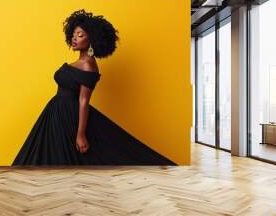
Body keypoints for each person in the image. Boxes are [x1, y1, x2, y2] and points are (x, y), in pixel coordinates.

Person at [11, 9, 175, 166]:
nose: (75, 38)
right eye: (73, 35)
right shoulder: (80, 62)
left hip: (70, 116)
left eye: (80, 35)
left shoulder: (89, 66)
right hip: (56, 112)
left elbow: (84, 100)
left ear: (92, 40)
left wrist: (81, 134)